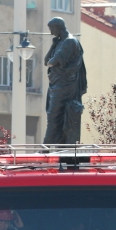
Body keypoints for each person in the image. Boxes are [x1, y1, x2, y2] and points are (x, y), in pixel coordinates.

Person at [43, 16, 87, 144]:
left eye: (51, 29)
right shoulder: (60, 43)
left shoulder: (69, 42)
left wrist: (53, 56)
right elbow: (46, 61)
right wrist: (53, 46)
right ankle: (53, 146)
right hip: (56, 84)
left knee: (54, 116)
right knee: (54, 116)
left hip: (64, 87)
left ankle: (46, 148)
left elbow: (52, 62)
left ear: (58, 27)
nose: (51, 33)